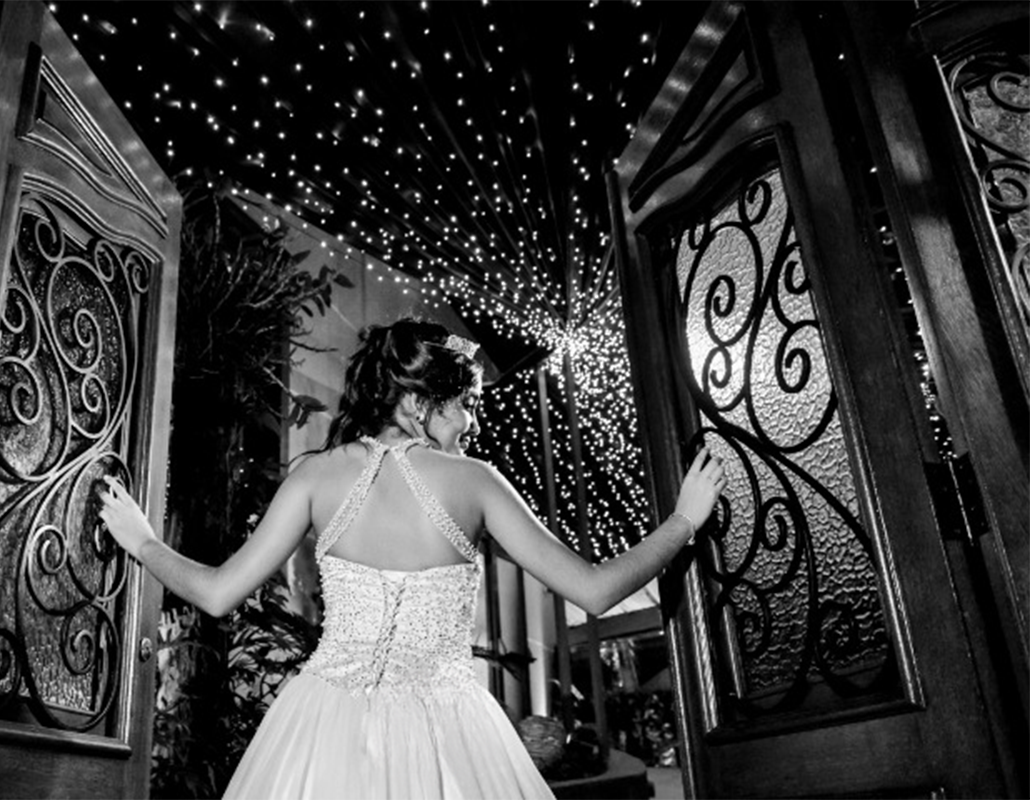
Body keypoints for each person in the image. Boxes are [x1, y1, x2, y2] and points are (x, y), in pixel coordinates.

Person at [98, 317, 725, 799]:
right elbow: (594, 589)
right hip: (450, 731)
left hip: (322, 727)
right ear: (421, 401)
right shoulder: (474, 482)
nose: (471, 422)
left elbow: (215, 594)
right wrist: (684, 520)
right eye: (466, 403)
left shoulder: (315, 477)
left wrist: (143, 541)